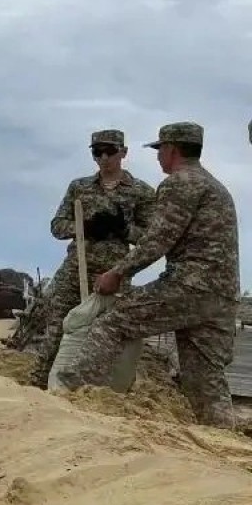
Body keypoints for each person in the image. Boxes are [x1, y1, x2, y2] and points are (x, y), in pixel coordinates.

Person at [54, 122, 240, 428]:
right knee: (206, 379)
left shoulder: (180, 183)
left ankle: (70, 397)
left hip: (189, 286)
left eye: (160, 150)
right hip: (221, 296)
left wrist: (117, 272)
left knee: (112, 322)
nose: (157, 157)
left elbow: (158, 240)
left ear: (173, 150)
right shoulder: (215, 187)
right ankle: (222, 442)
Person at [27, 129, 156, 387]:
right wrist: (83, 227)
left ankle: (99, 390)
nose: (104, 158)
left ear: (123, 152)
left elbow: (152, 236)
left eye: (110, 151)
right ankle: (40, 384)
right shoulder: (80, 187)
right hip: (77, 266)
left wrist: (123, 230)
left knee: (109, 329)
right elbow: (57, 226)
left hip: (115, 271)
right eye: (98, 152)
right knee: (59, 324)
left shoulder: (141, 192)